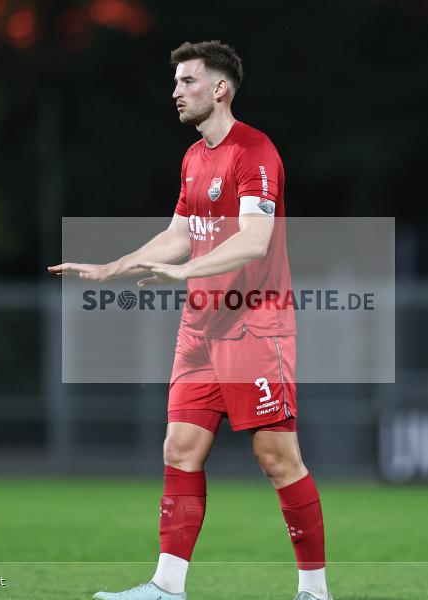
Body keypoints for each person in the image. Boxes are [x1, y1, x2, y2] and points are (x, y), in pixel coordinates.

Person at [49, 40, 331, 600]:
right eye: (176, 82)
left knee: (276, 457)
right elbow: (180, 234)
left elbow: (255, 240)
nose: (176, 91)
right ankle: (166, 587)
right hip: (201, 327)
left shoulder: (254, 152)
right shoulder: (194, 156)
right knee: (179, 449)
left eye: (187, 81)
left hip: (254, 324)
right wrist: (117, 266)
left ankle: (314, 591)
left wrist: (185, 273)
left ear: (219, 89)